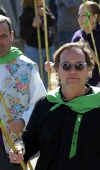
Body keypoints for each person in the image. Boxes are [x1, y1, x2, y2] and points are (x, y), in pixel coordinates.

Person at [8, 41, 100, 170]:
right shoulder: (45, 104)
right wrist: (20, 149)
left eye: (79, 66)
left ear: (88, 69)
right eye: (66, 66)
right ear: (57, 70)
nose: (73, 71)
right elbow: (29, 139)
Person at [0, 14, 46, 170]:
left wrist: (23, 121)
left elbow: (41, 103)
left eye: (3, 36)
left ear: (12, 36)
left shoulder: (27, 67)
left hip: (14, 146)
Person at [72, 1, 100, 88]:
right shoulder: (77, 35)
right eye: (79, 15)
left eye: (84, 15)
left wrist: (90, 52)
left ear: (95, 16)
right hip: (78, 83)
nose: (80, 19)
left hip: (99, 84)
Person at [19, 0, 56, 89]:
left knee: (49, 71)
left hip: (48, 46)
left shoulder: (43, 8)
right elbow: (23, 35)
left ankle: (46, 91)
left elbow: (53, 21)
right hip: (34, 49)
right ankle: (37, 93)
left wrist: (44, 14)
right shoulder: (26, 13)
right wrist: (33, 26)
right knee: (35, 73)